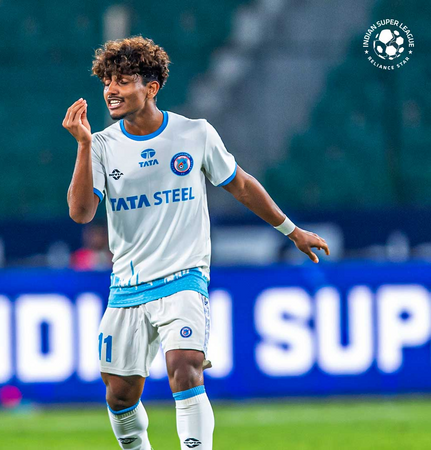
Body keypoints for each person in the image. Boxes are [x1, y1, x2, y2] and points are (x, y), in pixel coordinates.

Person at [62, 36, 330, 450]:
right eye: (107, 82)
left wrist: (292, 231)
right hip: (128, 285)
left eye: (123, 81)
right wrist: (83, 144)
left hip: (183, 277)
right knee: (119, 395)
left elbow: (241, 184)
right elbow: (81, 213)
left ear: (151, 88)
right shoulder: (100, 146)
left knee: (185, 366)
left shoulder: (194, 133)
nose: (111, 90)